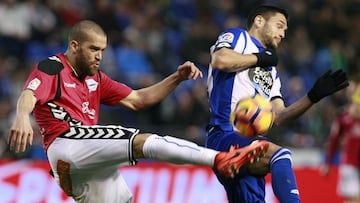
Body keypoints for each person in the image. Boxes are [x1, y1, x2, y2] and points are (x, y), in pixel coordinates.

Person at [7, 20, 270, 203]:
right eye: (93, 49)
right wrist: (21, 117)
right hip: (66, 144)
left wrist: (175, 78)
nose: (99, 56)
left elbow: (138, 99)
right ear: (74, 46)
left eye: (102, 50)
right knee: (141, 141)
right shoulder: (53, 67)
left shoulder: (96, 79)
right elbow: (29, 94)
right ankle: (221, 159)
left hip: (83, 169)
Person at [205, 5, 349, 203]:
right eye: (279, 26)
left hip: (251, 143)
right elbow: (220, 60)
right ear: (259, 21)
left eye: (285, 30)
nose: (282, 33)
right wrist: (258, 58)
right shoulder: (239, 37)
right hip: (225, 134)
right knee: (280, 155)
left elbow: (279, 115)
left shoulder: (271, 72)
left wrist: (313, 96)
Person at [320, 74, 360, 203]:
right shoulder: (344, 118)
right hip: (350, 164)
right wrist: (328, 162)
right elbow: (334, 140)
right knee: (354, 198)